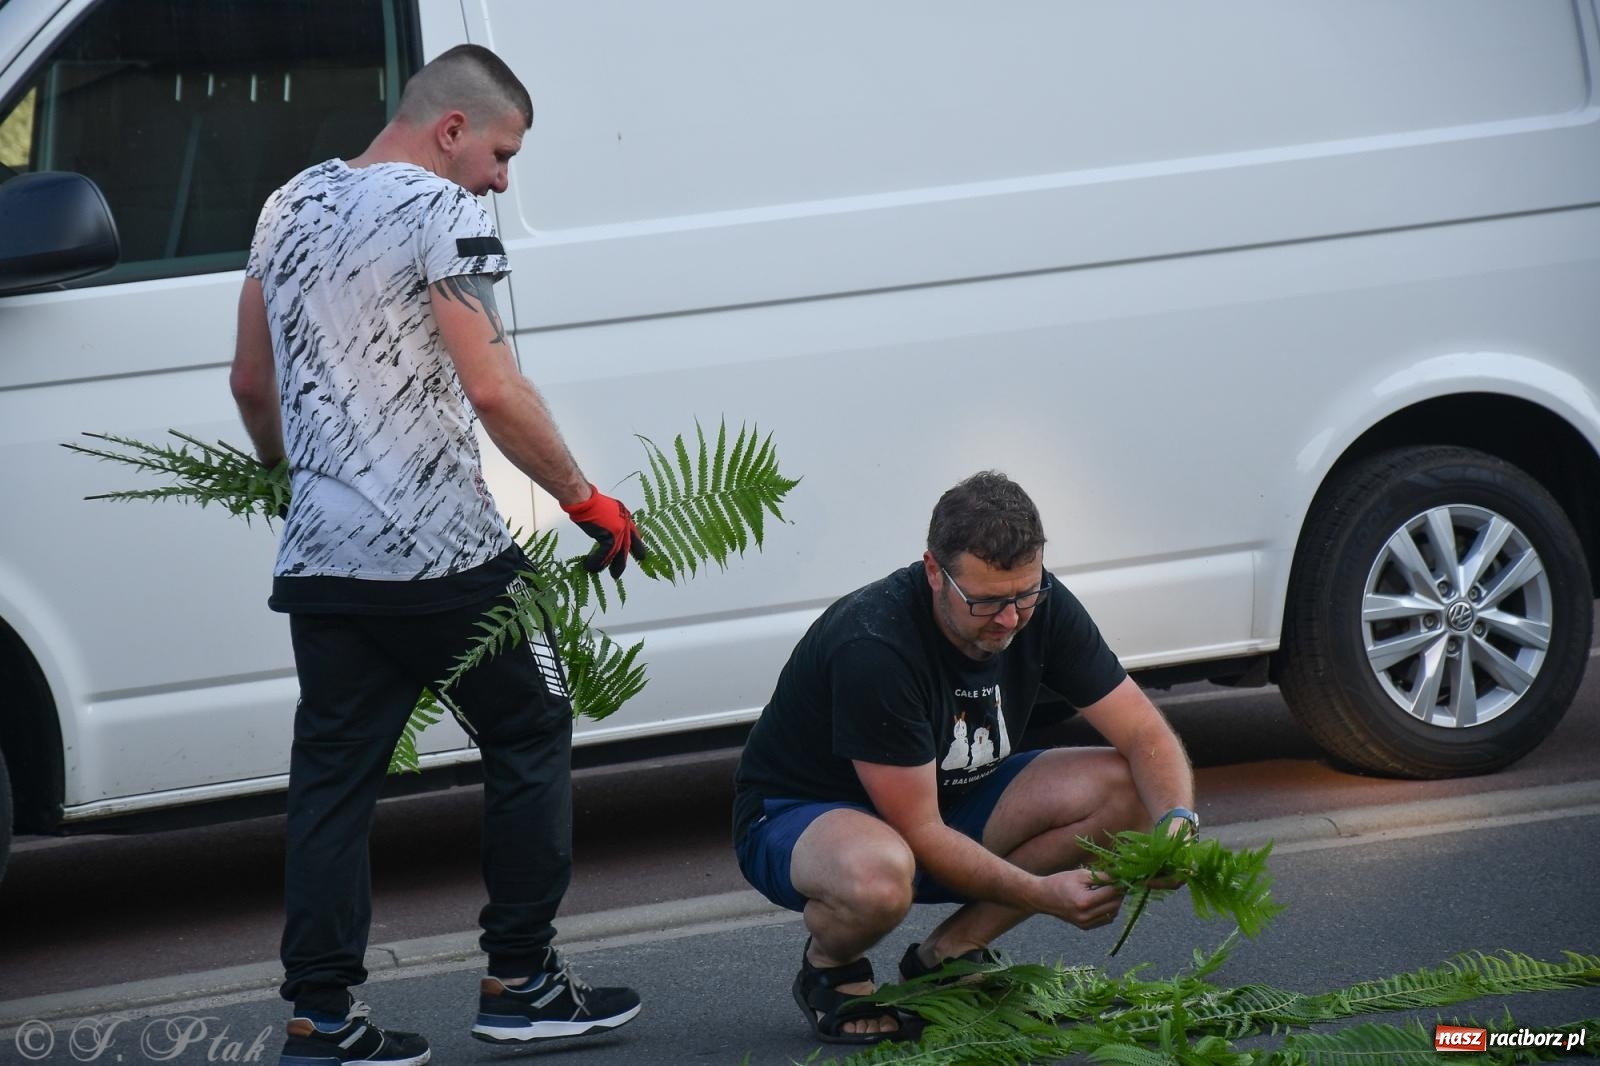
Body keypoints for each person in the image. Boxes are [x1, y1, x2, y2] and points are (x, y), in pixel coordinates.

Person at [229, 45, 647, 1066]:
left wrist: (296, 476)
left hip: (323, 562)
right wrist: (584, 498)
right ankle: (522, 981)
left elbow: (249, 380)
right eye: (502, 152)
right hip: (443, 557)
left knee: (332, 783)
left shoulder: (286, 204)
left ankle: (319, 1021)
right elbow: (495, 389)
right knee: (532, 725)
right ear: (451, 130)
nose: (504, 180)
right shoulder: (445, 213)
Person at [732, 471, 1197, 1045]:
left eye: (1025, 596)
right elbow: (920, 833)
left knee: (1129, 791)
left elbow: (1144, 732)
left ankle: (946, 957)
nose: (1009, 619)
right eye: (986, 602)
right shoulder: (873, 643)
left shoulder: (1037, 604)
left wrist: (1177, 822)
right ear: (934, 571)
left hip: (946, 800)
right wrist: (1045, 896)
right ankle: (831, 968)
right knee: (880, 876)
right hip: (801, 816)